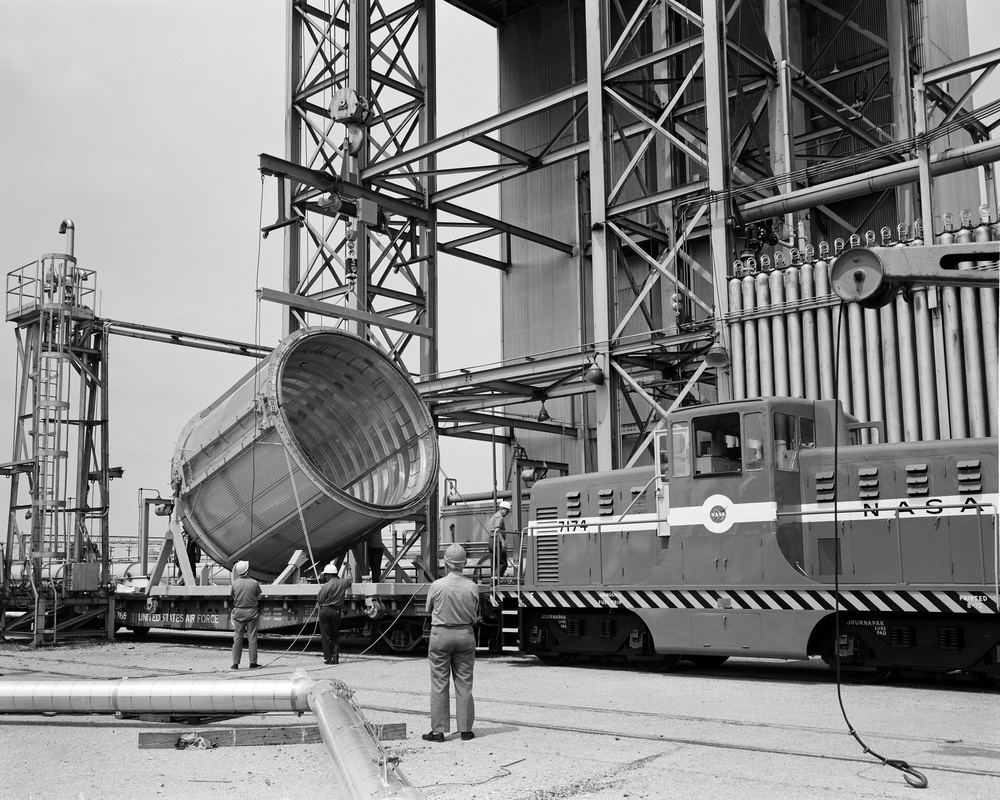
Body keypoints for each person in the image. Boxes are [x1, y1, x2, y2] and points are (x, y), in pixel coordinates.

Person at [422, 543, 479, 743]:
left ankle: (438, 731)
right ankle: (465, 730)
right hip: (465, 635)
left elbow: (428, 610)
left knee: (439, 683)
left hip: (441, 635)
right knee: (464, 682)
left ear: (446, 563)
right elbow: (475, 614)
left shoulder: (437, 585)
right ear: (464, 564)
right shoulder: (472, 587)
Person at [317, 561, 352, 664]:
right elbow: (350, 579)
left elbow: (320, 600)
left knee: (326, 635)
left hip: (325, 611)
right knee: (335, 635)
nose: (325, 577)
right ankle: (335, 658)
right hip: (336, 611)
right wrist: (348, 568)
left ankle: (327, 658)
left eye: (325, 575)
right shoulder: (343, 583)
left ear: (328, 575)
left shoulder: (326, 586)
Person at [230, 560, 262, 670]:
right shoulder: (254, 583)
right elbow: (258, 596)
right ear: (247, 570)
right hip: (251, 612)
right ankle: (253, 662)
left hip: (238, 612)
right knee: (252, 637)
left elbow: (233, 596)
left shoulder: (234, 583)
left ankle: (235, 663)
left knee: (237, 638)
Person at [487, 500, 512, 577]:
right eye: (507, 511)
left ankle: (492, 581)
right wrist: (503, 542)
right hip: (497, 541)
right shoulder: (499, 517)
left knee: (495, 563)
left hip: (491, 541)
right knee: (503, 563)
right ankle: (496, 581)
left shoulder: (494, 516)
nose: (507, 513)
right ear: (503, 509)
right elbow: (497, 530)